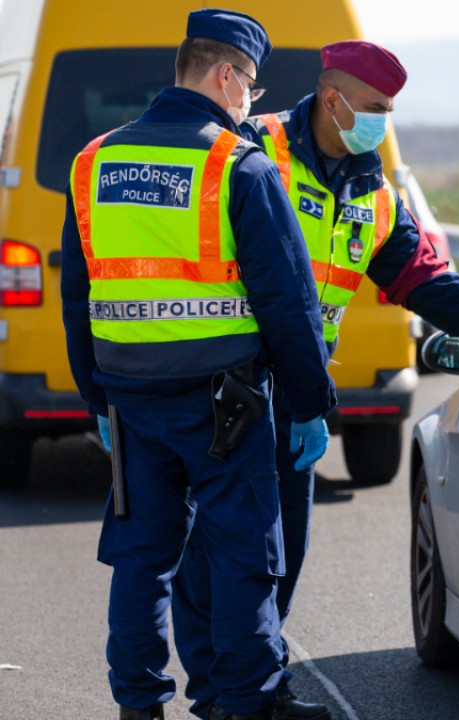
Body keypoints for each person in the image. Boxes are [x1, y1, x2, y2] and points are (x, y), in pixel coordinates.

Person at [170, 39, 459, 716]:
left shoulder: (371, 193)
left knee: (279, 552)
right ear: (332, 100)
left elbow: (422, 279)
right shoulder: (252, 152)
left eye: (389, 109)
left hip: (298, 393)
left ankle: (247, 684)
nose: (382, 120)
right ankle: (228, 694)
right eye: (375, 106)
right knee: (217, 552)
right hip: (226, 383)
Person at [60, 10, 337, 720]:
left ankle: (139, 706)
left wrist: (97, 397)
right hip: (226, 407)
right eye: (250, 85)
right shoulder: (236, 165)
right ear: (225, 75)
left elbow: (78, 291)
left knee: (140, 559)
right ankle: (247, 704)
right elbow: (288, 301)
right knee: (245, 556)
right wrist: (309, 403)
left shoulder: (93, 162)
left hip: (128, 396)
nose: (252, 101)